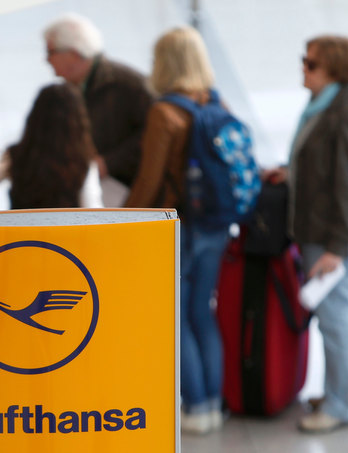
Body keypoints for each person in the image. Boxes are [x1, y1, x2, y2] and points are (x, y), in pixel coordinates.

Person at [262, 35, 348, 433]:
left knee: (334, 316)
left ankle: (342, 404)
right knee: (338, 312)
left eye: (311, 63)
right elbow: (322, 164)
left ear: (334, 68)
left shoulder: (347, 111)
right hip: (324, 226)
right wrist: (291, 172)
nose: (303, 68)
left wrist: (336, 248)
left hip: (336, 233)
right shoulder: (323, 104)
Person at [125, 26, 228, 434]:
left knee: (176, 317)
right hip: (216, 226)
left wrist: (118, 220)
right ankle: (215, 405)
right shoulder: (215, 103)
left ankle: (196, 407)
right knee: (204, 312)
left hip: (181, 228)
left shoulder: (164, 112)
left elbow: (149, 182)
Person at [43, 13, 153, 203]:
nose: (47, 60)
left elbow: (155, 135)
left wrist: (108, 163)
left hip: (126, 194)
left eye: (51, 52)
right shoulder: (68, 89)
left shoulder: (128, 84)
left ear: (74, 53)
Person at [0, 83, 102, 209]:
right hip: (63, 230)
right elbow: (92, 207)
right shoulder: (82, 163)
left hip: (23, 229)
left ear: (35, 118)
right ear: (77, 122)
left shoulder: (18, 155)